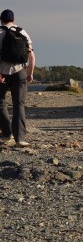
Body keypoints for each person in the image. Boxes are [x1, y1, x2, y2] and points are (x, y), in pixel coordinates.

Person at [0, 9, 35, 147]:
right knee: (19, 105)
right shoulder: (22, 32)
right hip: (20, 72)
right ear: (13, 19)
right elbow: (31, 56)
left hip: (2, 72)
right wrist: (30, 73)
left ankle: (7, 132)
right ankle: (20, 138)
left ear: (1, 19)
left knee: (0, 102)